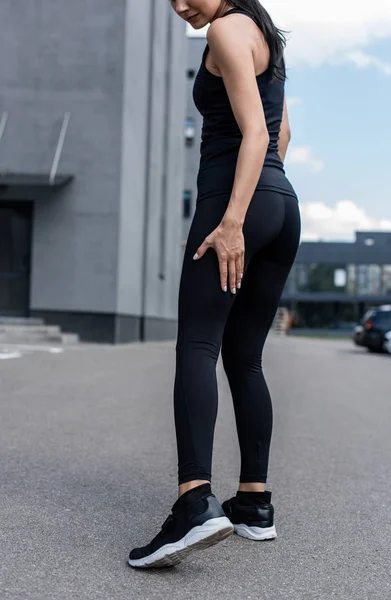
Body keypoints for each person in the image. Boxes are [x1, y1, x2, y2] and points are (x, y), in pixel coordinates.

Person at [128, 0, 300, 568]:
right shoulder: (262, 35)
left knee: (197, 346)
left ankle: (193, 504)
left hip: (237, 201)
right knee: (244, 357)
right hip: (280, 204)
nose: (179, 6)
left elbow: (254, 132)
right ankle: (254, 504)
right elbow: (282, 131)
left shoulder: (226, 28)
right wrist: (262, 206)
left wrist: (230, 222)